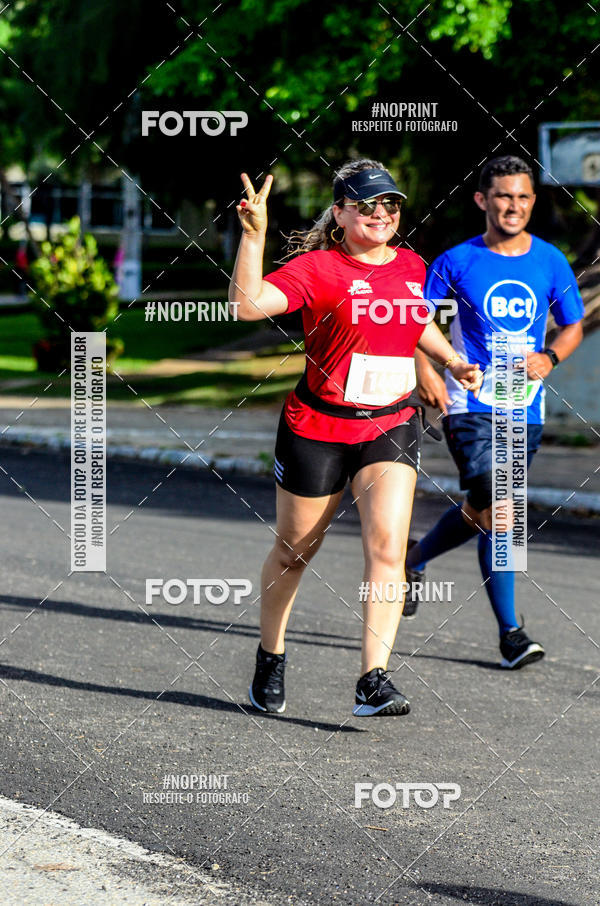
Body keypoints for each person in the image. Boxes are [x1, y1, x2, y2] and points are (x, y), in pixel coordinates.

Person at [228, 158, 482, 715]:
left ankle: (374, 677)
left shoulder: (413, 265)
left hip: (389, 423)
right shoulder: (318, 268)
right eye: (366, 204)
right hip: (317, 427)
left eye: (390, 203)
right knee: (296, 551)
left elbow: (415, 320)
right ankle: (270, 657)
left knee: (388, 548)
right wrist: (254, 238)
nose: (381, 213)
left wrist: (450, 360)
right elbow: (246, 306)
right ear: (340, 212)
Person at [407, 155, 584, 667]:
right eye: (504, 195)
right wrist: (425, 373)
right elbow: (420, 323)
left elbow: (571, 325)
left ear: (533, 201)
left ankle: (412, 561)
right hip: (469, 401)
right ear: (483, 200)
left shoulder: (550, 260)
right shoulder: (456, 261)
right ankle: (511, 634)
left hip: (523, 404)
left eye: (523, 196)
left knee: (488, 513)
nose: (514, 205)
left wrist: (550, 355)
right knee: (502, 512)